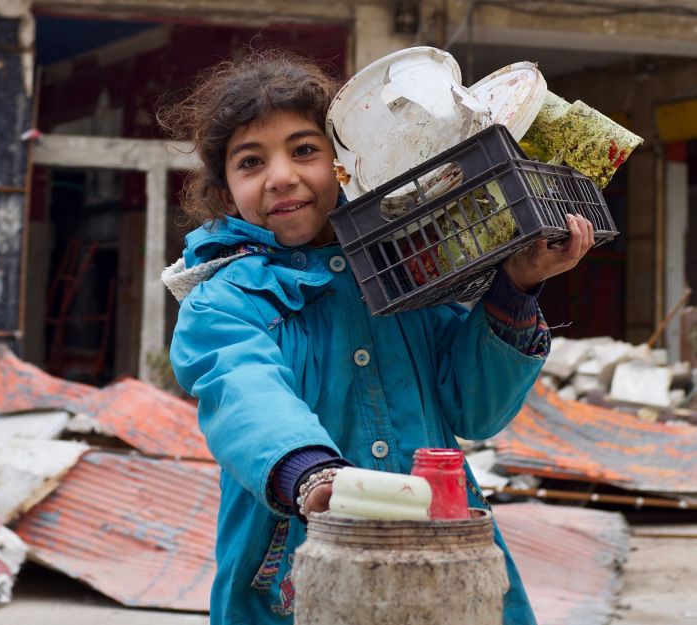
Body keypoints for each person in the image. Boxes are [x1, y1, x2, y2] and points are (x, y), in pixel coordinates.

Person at [159, 49, 594, 625]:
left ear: (348, 165)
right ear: (225, 195)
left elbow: (475, 410)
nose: (282, 176)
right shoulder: (224, 300)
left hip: (440, 553)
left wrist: (516, 286)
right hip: (295, 567)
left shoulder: (405, 271)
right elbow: (243, 391)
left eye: (305, 150)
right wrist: (308, 472)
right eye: (250, 162)